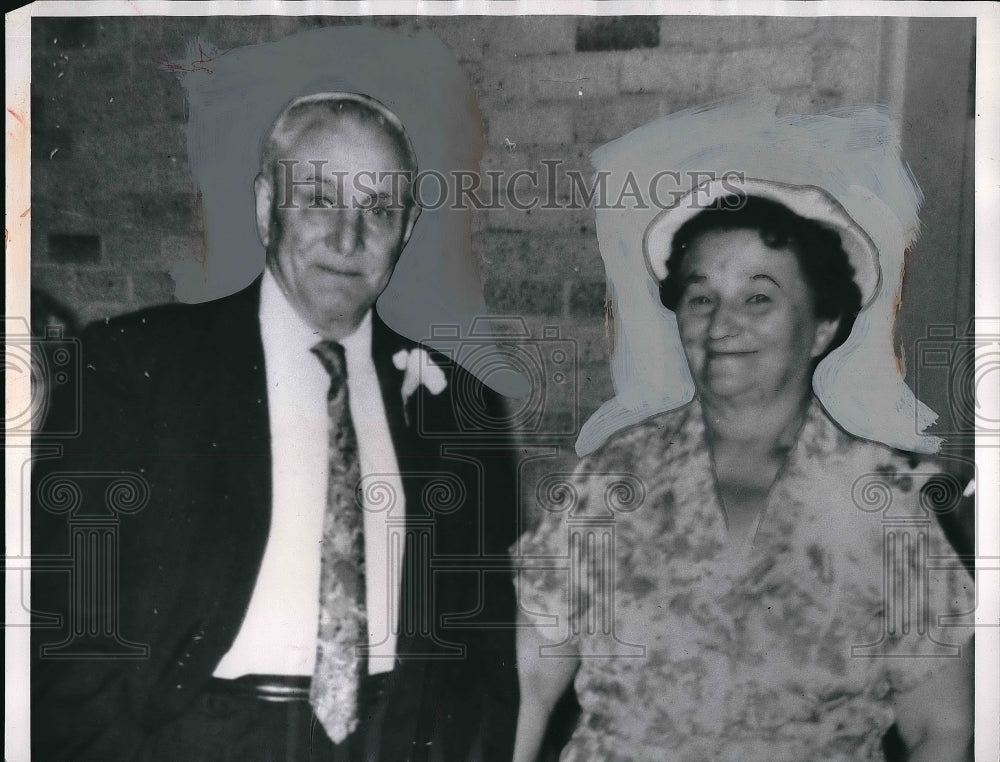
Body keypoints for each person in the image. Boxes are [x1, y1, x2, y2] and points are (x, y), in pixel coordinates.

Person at [31, 92, 518, 761]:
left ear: (406, 229)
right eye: (320, 199)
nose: (349, 238)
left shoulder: (461, 407)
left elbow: (483, 660)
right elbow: (66, 624)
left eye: (379, 210)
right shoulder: (139, 368)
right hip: (199, 739)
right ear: (267, 208)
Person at [512, 178, 974, 762]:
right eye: (701, 297)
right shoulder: (611, 479)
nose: (721, 325)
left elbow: (941, 727)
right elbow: (528, 685)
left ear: (823, 327)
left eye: (758, 298)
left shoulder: (883, 500)